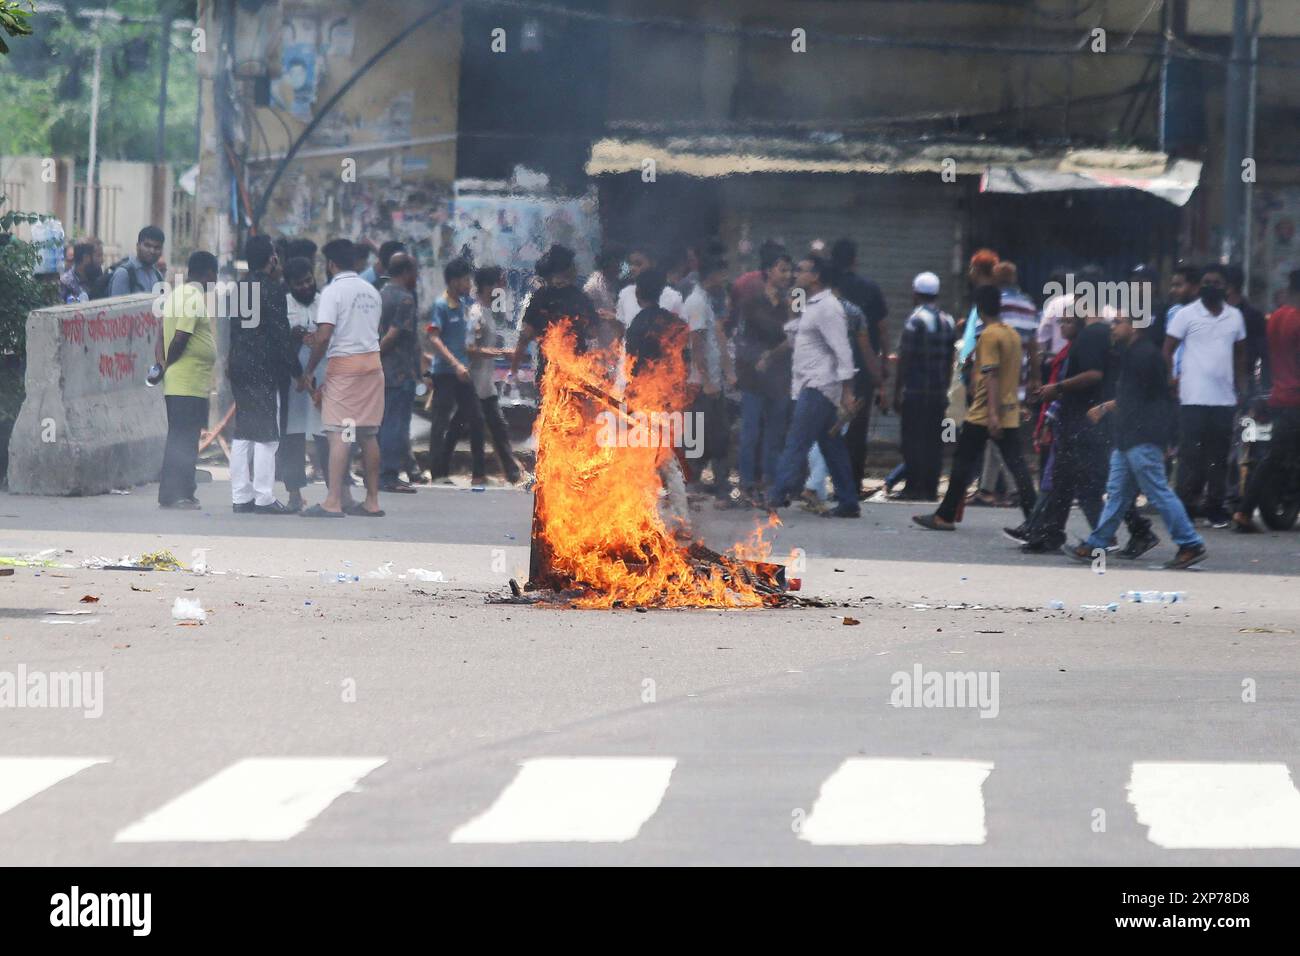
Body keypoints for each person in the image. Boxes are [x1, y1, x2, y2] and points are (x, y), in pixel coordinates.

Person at [1065, 311, 1206, 569]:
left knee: (1158, 492)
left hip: (1142, 438)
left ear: (1135, 327)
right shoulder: (1132, 354)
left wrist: (1160, 439)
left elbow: (1156, 400)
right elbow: (1133, 397)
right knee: (1117, 494)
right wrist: (1107, 408)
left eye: (1119, 323)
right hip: (1127, 438)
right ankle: (1096, 545)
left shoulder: (1145, 356)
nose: (1113, 327)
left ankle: (1190, 543)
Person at [914, 284, 1037, 531]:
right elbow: (1014, 373)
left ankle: (945, 516)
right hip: (1009, 410)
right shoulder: (1012, 334)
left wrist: (991, 413)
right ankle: (1036, 520)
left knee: (962, 463)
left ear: (979, 308)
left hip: (984, 413)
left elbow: (991, 375)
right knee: (1017, 465)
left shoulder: (989, 335)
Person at [766, 255, 861, 518]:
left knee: (796, 441)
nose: (795, 274)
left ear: (816, 276)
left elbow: (843, 350)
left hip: (818, 386)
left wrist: (848, 391)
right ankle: (849, 501)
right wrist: (791, 312)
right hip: (814, 384)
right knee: (832, 446)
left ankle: (777, 494)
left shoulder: (828, 308)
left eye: (801, 270)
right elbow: (797, 339)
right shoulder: (813, 306)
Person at [299, 238, 386, 518]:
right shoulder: (371, 291)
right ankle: (372, 501)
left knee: (341, 433)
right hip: (372, 366)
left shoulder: (332, 292)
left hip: (345, 370)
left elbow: (324, 336)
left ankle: (333, 501)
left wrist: (310, 369)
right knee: (368, 434)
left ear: (331, 264)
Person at [1163, 264, 1246, 528]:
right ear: (1200, 287)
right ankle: (1186, 506)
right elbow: (1167, 350)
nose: (1212, 286)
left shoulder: (1235, 317)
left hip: (1224, 399)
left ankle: (1215, 508)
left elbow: (1241, 354)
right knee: (1190, 457)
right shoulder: (1186, 315)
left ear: (1226, 287)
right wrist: (1169, 381)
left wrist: (1242, 386)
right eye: (1207, 282)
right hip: (1192, 398)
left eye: (1217, 282)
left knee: (1219, 458)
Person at [228, 236, 295, 515]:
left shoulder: (240, 288)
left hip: (239, 362)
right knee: (268, 433)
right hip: (263, 365)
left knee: (243, 430)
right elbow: (280, 335)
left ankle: (241, 495)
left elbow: (234, 328)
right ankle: (264, 496)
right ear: (272, 259)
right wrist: (296, 370)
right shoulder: (273, 290)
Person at [625, 268, 692, 535]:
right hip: (669, 401)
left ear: (639, 295)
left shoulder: (638, 325)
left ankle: (649, 523)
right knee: (668, 462)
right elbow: (684, 362)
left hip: (643, 400)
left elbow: (630, 368)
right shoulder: (675, 324)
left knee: (642, 463)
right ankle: (682, 521)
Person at [1233, 269, 1300, 532]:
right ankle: (1244, 511)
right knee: (1273, 456)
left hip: (1278, 397)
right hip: (1296, 399)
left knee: (1275, 455)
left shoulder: (1276, 317)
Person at [157, 251, 219, 510]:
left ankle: (181, 492)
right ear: (208, 274)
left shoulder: (175, 295)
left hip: (185, 382)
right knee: (183, 440)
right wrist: (170, 363)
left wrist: (162, 364)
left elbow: (160, 332)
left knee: (184, 438)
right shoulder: (192, 298)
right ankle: (177, 494)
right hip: (187, 382)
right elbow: (180, 337)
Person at [829, 239, 888, 493]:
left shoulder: (825, 291)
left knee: (827, 426)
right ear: (855, 260)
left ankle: (821, 483)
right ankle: (852, 484)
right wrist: (881, 368)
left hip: (828, 371)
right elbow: (883, 330)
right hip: (861, 370)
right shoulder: (870, 289)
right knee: (857, 428)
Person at [892, 271, 956, 501]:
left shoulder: (915, 320)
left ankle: (913, 487)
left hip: (916, 392)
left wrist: (897, 390)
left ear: (916, 293)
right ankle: (929, 489)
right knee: (933, 442)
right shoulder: (948, 321)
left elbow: (905, 359)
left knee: (912, 440)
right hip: (938, 394)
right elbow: (950, 360)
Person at [736, 251, 794, 503]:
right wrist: (756, 357)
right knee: (750, 433)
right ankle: (747, 484)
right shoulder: (752, 302)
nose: (787, 275)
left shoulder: (789, 304)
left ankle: (771, 485)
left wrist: (770, 356)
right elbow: (742, 340)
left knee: (774, 435)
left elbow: (794, 337)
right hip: (753, 379)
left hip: (780, 379)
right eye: (782, 269)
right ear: (768, 271)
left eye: (789, 270)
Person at [459, 265, 522, 483]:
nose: (503, 287)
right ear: (488, 286)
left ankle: (510, 471)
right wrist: (502, 352)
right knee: (480, 430)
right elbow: (469, 348)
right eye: (500, 283)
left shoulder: (489, 312)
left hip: (486, 385)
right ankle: (480, 474)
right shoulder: (477, 314)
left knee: (497, 428)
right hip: (474, 384)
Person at [426, 257, 486, 485]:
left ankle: (478, 474)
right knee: (440, 422)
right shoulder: (441, 305)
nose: (469, 284)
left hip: (463, 373)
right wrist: (455, 364)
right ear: (453, 281)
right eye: (465, 280)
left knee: (477, 419)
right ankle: (438, 473)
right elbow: (434, 337)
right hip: (445, 373)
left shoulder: (462, 306)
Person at [510, 243, 598, 388]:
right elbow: (592, 332)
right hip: (576, 375)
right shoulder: (581, 298)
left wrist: (513, 369)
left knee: (550, 410)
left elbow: (525, 336)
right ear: (569, 270)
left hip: (548, 375)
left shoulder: (540, 297)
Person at [685, 256, 735, 506]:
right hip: (700, 384)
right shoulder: (696, 302)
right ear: (712, 274)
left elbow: (714, 340)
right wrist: (707, 381)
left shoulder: (707, 300)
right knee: (702, 435)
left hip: (711, 381)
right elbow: (696, 345)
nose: (725, 279)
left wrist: (723, 374)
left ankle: (717, 489)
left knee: (716, 435)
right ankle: (695, 487)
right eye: (722, 273)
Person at [279, 257, 322, 512]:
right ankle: (294, 493)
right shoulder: (283, 304)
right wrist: (292, 336)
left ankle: (337, 494)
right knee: (292, 437)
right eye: (299, 284)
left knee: (327, 435)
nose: (305, 287)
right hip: (294, 383)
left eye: (308, 281)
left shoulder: (324, 301)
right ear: (290, 285)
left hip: (322, 378)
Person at [376, 252, 421, 493]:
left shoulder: (380, 295)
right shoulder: (405, 299)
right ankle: (388, 475)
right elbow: (393, 335)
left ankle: (381, 472)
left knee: (384, 424)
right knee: (396, 425)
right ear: (405, 272)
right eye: (415, 271)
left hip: (382, 373)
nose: (417, 276)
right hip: (399, 373)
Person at [615, 244, 683, 329]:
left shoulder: (673, 297)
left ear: (653, 264)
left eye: (638, 264)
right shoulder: (625, 294)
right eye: (631, 264)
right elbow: (621, 329)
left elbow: (680, 332)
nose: (632, 268)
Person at [584, 244, 626, 351]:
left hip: (614, 333)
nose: (619, 267)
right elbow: (587, 312)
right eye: (615, 263)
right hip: (600, 338)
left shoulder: (615, 281)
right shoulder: (593, 285)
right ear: (606, 264)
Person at [107, 226, 165, 297]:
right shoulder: (124, 274)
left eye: (157, 247)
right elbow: (118, 307)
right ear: (138, 246)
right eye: (147, 246)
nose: (152, 251)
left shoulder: (158, 275)